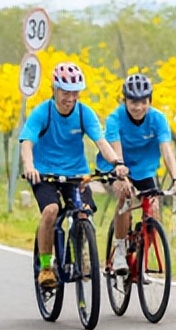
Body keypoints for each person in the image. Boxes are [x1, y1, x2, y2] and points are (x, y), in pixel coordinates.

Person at [20, 61, 127, 289]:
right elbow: (27, 142)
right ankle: (46, 267)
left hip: (75, 174)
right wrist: (29, 166)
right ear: (54, 89)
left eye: (75, 92)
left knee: (83, 211)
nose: (70, 98)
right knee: (51, 210)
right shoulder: (43, 112)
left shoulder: (84, 113)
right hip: (45, 174)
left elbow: (101, 142)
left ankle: (80, 251)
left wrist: (116, 163)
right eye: (65, 92)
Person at [96, 72, 176, 275]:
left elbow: (166, 150)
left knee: (153, 209)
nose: (138, 107)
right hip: (116, 165)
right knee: (125, 195)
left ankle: (141, 258)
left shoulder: (158, 119)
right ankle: (120, 251)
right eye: (133, 102)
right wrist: (122, 176)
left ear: (149, 101)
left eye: (143, 102)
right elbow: (116, 153)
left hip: (144, 169)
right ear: (125, 101)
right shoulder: (115, 119)